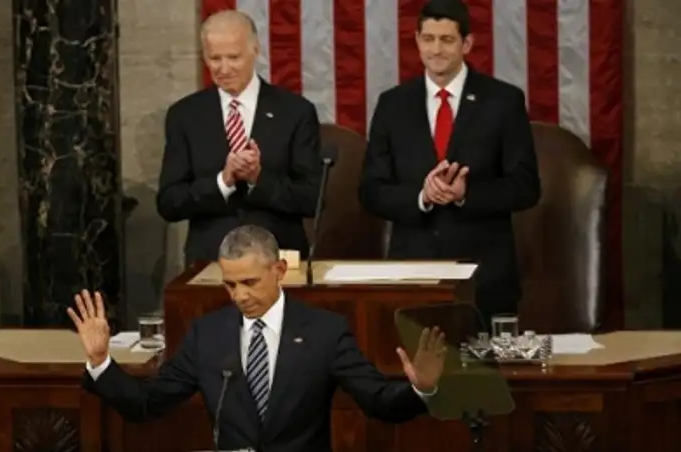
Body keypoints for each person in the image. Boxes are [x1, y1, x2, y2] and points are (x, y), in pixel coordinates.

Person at [69, 225, 446, 451]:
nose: (240, 296)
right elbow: (147, 404)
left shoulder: (324, 332)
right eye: (230, 285)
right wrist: (101, 362)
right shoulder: (208, 334)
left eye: (250, 282)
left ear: (279, 270)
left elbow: (379, 402)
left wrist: (422, 389)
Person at [358, 0, 540, 326]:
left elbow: (526, 186)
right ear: (417, 40)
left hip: (485, 279)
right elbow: (371, 191)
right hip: (412, 278)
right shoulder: (392, 104)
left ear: (466, 43)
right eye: (428, 39)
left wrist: (466, 193)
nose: (436, 50)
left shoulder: (503, 101)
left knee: (483, 362)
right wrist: (422, 196)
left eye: (447, 40)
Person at [156, 10, 322, 266]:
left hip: (278, 260)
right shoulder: (185, 115)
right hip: (210, 262)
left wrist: (258, 178)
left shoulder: (295, 112)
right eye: (215, 58)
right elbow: (169, 203)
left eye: (233, 57)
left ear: (255, 51)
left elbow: (312, 199)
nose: (224, 69)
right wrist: (222, 182)